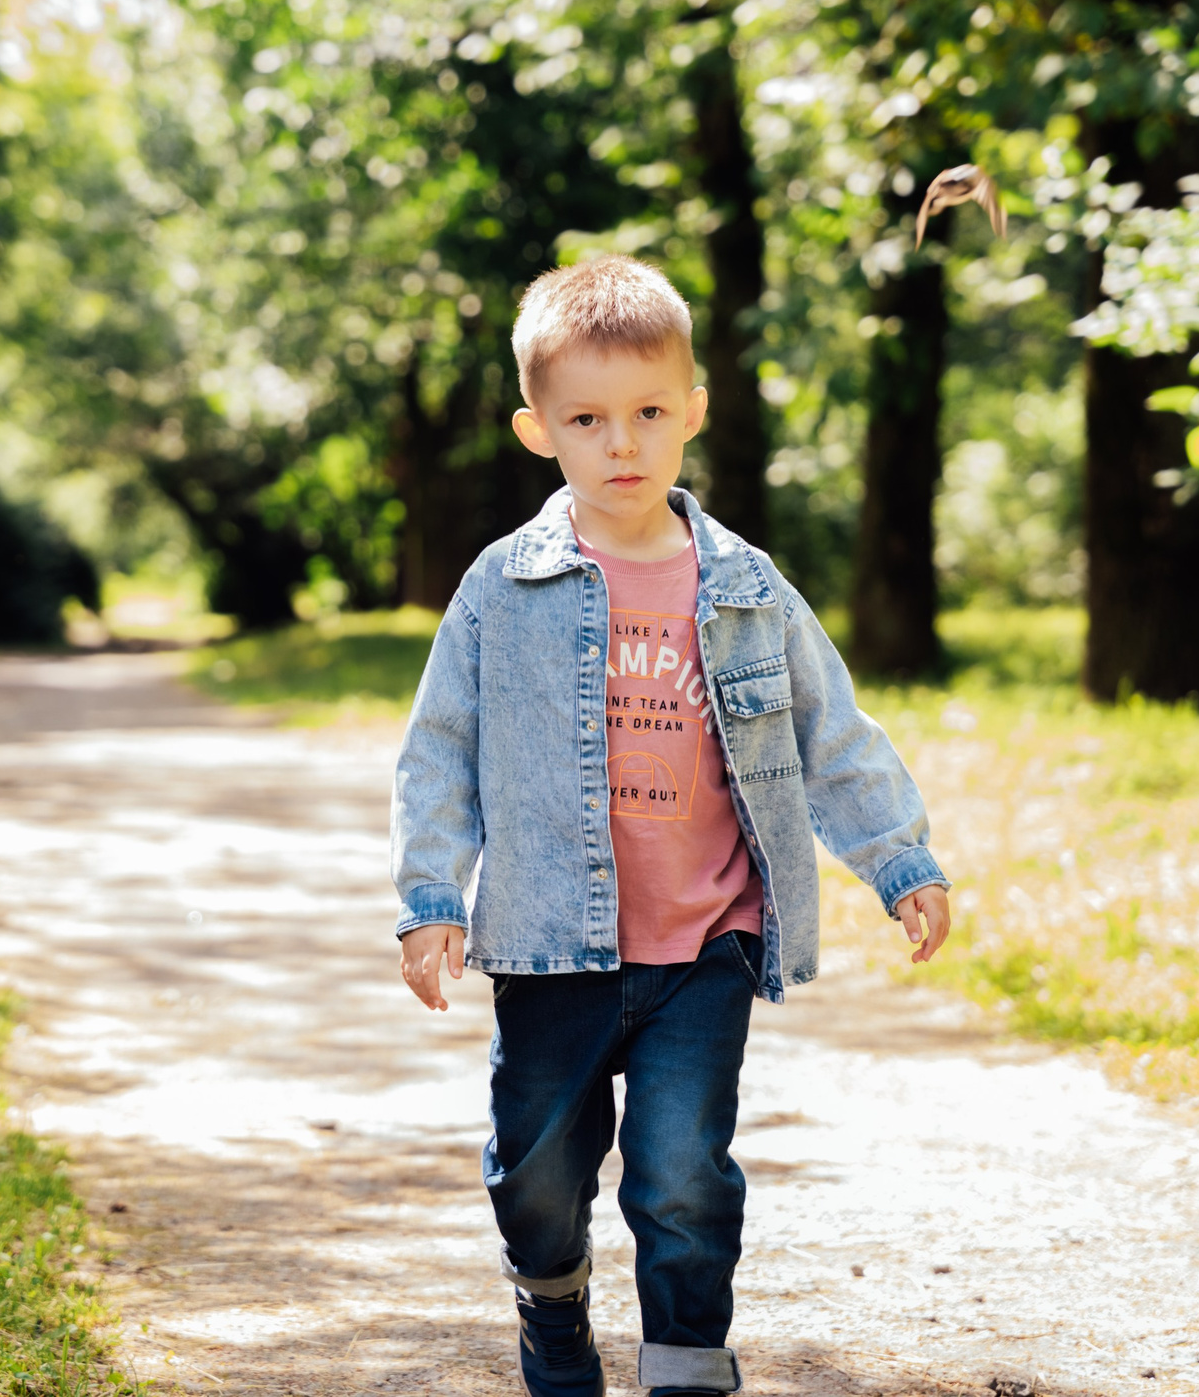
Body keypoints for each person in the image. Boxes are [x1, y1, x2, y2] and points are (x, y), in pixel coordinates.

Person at [390, 253, 953, 1396]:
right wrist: (431, 899)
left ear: (693, 411)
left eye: (649, 413)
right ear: (536, 428)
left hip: (705, 943)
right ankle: (552, 1311)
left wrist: (898, 859)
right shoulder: (503, 587)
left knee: (682, 1172)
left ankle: (687, 1365)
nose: (623, 444)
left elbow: (825, 730)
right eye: (588, 419)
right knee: (536, 1173)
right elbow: (439, 750)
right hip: (553, 945)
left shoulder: (744, 584)